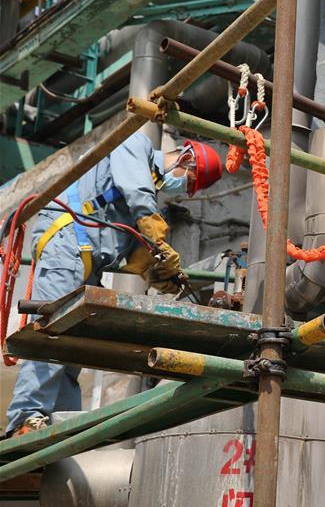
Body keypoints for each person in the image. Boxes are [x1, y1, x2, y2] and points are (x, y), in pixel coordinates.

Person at [5, 132, 222, 437]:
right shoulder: (135, 145)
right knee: (51, 335)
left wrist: (159, 274)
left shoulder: (145, 193)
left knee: (70, 348)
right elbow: (136, 194)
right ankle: (25, 418)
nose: (182, 188)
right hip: (67, 248)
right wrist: (156, 236)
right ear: (187, 160)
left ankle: (57, 425)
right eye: (188, 181)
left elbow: (134, 251)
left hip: (87, 265)